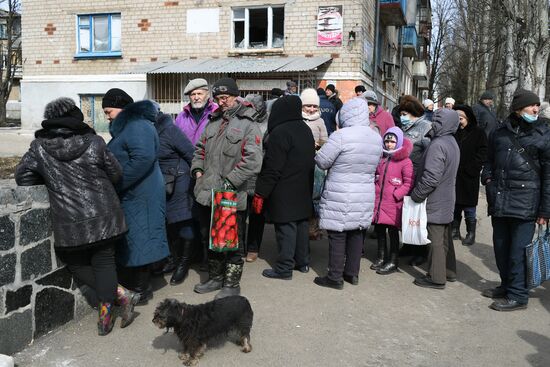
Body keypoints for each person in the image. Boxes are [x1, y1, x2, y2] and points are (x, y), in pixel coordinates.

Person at [15, 97, 137, 336]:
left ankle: (117, 303)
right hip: (104, 215)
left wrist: (53, 180)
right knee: (104, 262)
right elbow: (116, 174)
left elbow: (23, 177)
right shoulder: (95, 142)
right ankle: (112, 308)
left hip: (69, 221)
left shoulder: (39, 148)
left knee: (77, 264)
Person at [191, 78, 263, 299]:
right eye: (219, 99)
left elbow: (253, 160)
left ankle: (231, 284)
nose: (222, 102)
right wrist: (198, 171)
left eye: (226, 98)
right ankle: (215, 278)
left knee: (231, 243)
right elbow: (200, 150)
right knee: (210, 239)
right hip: (206, 193)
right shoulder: (212, 122)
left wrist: (230, 182)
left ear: (235, 96)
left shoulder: (249, 124)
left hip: (230, 194)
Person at [481, 89, 550, 311]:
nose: (536, 109)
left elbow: (549, 177)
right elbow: (489, 160)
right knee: (501, 249)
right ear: (519, 108)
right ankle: (506, 286)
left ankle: (518, 295)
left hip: (527, 203)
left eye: (537, 106)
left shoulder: (544, 133)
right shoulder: (500, 132)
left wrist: (545, 211)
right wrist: (488, 179)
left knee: (518, 252)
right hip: (500, 199)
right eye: (532, 105)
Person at [103, 88, 170, 305]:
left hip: (140, 193)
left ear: (121, 108)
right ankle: (139, 284)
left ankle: (142, 288)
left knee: (141, 239)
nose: (107, 116)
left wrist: (119, 183)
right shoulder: (133, 126)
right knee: (139, 237)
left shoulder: (136, 126)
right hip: (138, 192)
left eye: (109, 110)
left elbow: (143, 158)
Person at [313, 98, 382, 289]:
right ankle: (352, 274)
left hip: (341, 192)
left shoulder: (341, 136)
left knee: (337, 234)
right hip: (364, 193)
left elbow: (322, 162)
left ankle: (334, 277)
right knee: (356, 233)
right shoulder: (376, 137)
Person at [253, 95, 315, 280]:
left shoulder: (280, 132)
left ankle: (284, 268)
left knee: (286, 227)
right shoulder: (305, 129)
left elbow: (273, 167)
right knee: (301, 224)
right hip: (303, 186)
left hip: (284, 188)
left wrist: (261, 192)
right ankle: (302, 262)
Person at [411, 108, 460, 289]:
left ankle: (437, 278)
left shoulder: (438, 144)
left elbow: (431, 177)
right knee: (445, 237)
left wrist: (417, 195)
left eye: (437, 121)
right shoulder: (451, 141)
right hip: (447, 197)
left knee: (435, 240)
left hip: (435, 199)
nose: (433, 123)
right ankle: (448, 271)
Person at [153, 106, 195, 285]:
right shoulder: (149, 131)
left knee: (183, 222)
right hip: (161, 185)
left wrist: (194, 180)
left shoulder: (170, 130)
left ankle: (183, 265)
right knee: (168, 226)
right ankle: (172, 259)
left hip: (179, 182)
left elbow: (191, 153)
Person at [371, 127, 414, 275]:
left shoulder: (405, 162)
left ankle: (393, 260)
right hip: (380, 202)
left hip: (393, 204)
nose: (389, 144)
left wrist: (397, 194)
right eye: (387, 141)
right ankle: (381, 256)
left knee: (393, 233)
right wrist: (376, 189)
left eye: (392, 141)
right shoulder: (383, 158)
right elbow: (377, 176)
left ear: (399, 142)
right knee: (380, 230)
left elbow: (408, 182)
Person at [398, 95, 432, 266]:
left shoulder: (425, 127)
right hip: (404, 176)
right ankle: (408, 245)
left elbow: (429, 153)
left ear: (413, 113)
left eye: (404, 113)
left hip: (417, 176)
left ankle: (421, 251)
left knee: (418, 216)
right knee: (407, 212)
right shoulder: (405, 128)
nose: (402, 117)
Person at [451, 104, 488, 246]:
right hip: (454, 174)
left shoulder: (478, 133)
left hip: (469, 175)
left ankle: (470, 233)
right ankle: (454, 230)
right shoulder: (453, 131)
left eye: (460, 118)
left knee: (469, 206)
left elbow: (483, 152)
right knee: (455, 204)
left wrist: (473, 168)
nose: (458, 121)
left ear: (467, 118)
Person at [243, 94, 269, 263]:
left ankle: (253, 247)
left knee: (257, 214)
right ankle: (237, 246)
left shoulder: (269, 123)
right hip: (243, 172)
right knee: (239, 212)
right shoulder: (242, 120)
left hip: (260, 173)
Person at [300, 88, 328, 241]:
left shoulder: (320, 121)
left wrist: (317, 145)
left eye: (314, 106)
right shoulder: (297, 119)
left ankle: (314, 227)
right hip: (299, 162)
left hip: (315, 162)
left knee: (315, 195)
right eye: (308, 106)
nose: (311, 109)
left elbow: (326, 141)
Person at [174, 78, 218, 145]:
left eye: (199, 94)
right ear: (189, 97)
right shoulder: (182, 117)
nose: (196, 98)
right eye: (193, 94)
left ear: (208, 95)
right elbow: (174, 140)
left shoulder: (217, 111)